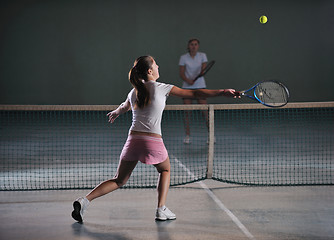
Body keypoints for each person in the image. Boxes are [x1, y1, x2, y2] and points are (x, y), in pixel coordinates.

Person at [71, 55, 239, 223]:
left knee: (119, 180)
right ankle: (161, 209)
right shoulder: (162, 88)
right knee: (165, 170)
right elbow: (194, 92)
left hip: (133, 140)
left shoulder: (134, 90)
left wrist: (116, 112)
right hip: (152, 141)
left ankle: (84, 200)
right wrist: (222, 92)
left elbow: (124, 106)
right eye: (156, 64)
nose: (159, 66)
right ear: (150, 71)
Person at [179, 38, 210, 144]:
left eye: (196, 44)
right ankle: (187, 136)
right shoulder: (183, 58)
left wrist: (195, 79)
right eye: (191, 44)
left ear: (198, 46)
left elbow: (203, 70)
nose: (193, 46)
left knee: (205, 112)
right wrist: (188, 81)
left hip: (200, 87)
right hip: (187, 88)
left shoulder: (202, 56)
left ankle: (211, 135)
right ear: (188, 46)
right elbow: (182, 73)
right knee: (187, 112)